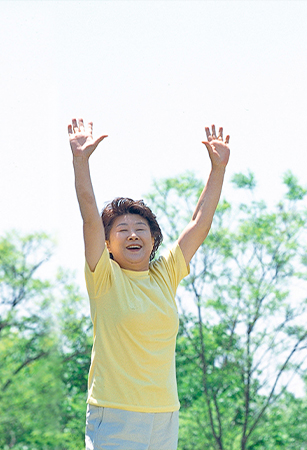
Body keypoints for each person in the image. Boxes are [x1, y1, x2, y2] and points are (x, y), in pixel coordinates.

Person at [69, 118, 230, 450]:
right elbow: (88, 216)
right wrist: (80, 162)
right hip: (114, 416)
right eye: (122, 229)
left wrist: (218, 168)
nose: (132, 234)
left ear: (153, 238)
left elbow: (200, 223)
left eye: (140, 228)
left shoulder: (164, 274)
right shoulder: (104, 277)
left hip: (164, 416)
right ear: (108, 244)